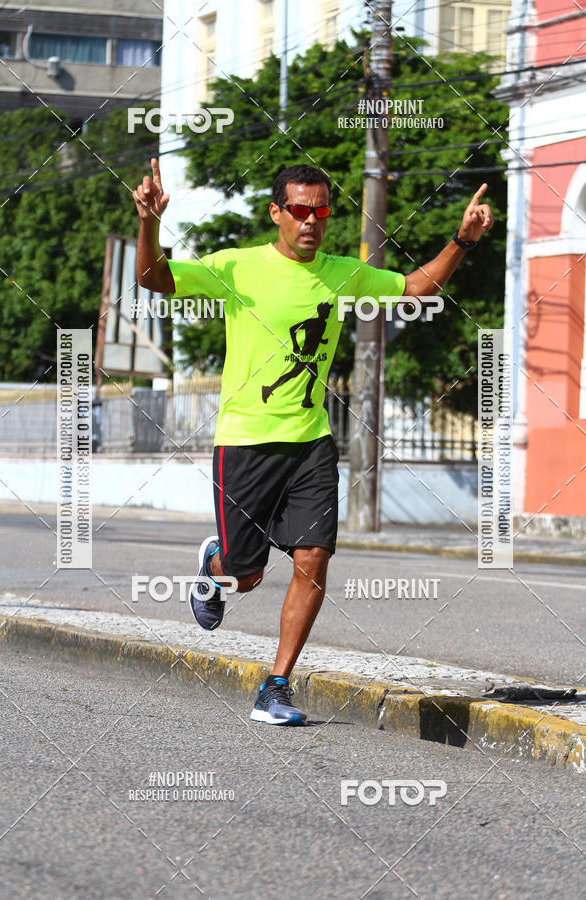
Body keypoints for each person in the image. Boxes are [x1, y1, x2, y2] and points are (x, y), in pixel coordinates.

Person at [134, 158, 494, 726]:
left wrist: (461, 241)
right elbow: (154, 277)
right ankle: (215, 565)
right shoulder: (238, 267)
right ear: (277, 213)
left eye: (322, 211)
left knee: (313, 559)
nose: (311, 221)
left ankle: (276, 686)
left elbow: (415, 288)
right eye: (300, 210)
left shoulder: (342, 273)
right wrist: (149, 222)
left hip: (312, 442)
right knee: (245, 576)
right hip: (246, 443)